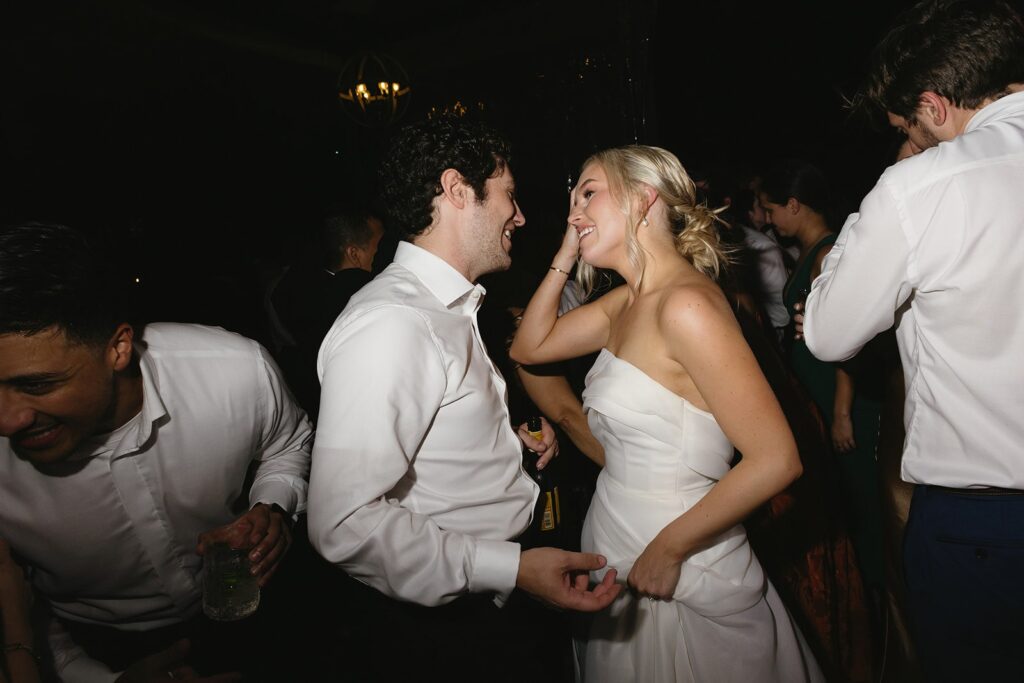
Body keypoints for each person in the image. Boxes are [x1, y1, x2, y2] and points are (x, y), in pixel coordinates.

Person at [306, 116, 620, 682]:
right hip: (453, 629)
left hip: (496, 595)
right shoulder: (393, 324)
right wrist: (512, 569)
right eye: (509, 195)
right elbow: (344, 524)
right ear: (457, 190)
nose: (519, 216)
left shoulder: (449, 306)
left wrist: (511, 445)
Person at [510, 145, 822, 682]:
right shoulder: (624, 303)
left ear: (642, 199)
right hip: (616, 534)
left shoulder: (687, 305)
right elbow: (528, 348)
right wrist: (568, 250)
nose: (573, 211)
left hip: (681, 550)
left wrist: (669, 549)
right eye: (571, 201)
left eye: (589, 193)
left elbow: (777, 458)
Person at [799, 1, 1024, 680]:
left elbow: (829, 332)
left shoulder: (921, 186)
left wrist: (863, 230)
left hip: (983, 525)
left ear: (931, 107)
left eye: (909, 130)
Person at [0, 223, 312, 682]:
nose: (6, 421)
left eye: (38, 385)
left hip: (251, 615)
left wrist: (272, 505)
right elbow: (15, 607)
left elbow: (289, 442)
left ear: (119, 347)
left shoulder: (235, 371)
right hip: (90, 646)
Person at [759, 160, 886, 601]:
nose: (769, 219)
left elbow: (850, 343)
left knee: (863, 499)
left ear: (794, 205)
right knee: (847, 499)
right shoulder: (809, 254)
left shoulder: (830, 254)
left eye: (771, 209)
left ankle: (879, 590)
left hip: (841, 397)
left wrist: (842, 414)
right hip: (820, 388)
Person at [271, 208, 384, 420]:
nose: (385, 253)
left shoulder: (298, 291)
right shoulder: (365, 292)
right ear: (354, 254)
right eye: (378, 247)